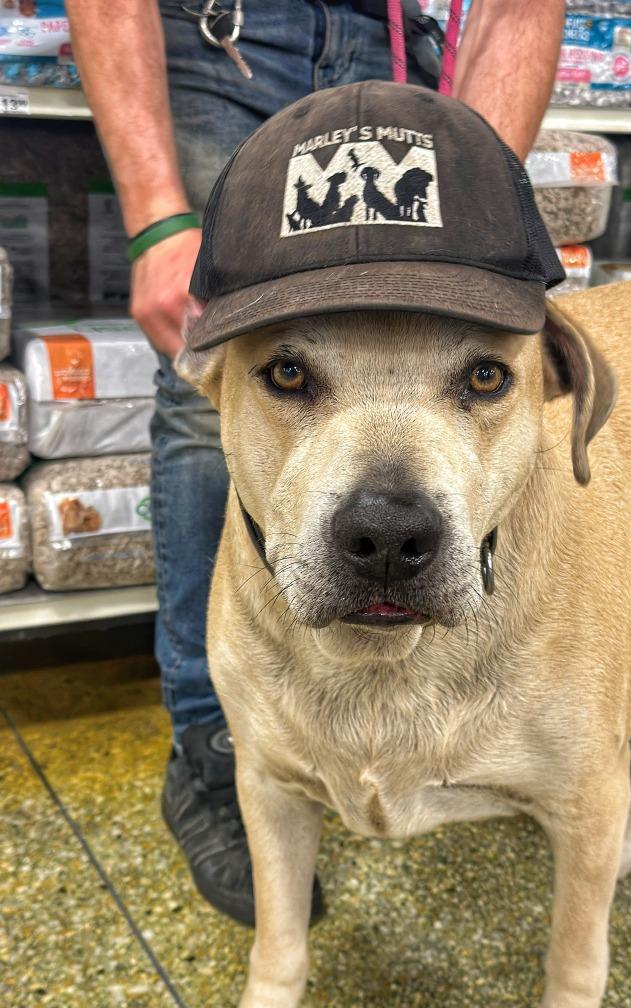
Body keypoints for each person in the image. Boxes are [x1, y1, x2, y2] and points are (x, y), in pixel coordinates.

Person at [66, 0, 566, 927]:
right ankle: (220, 744)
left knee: (435, 350)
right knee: (209, 394)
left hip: (401, 36)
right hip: (219, 36)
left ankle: (428, 730)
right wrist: (154, 218)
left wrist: (477, 193)